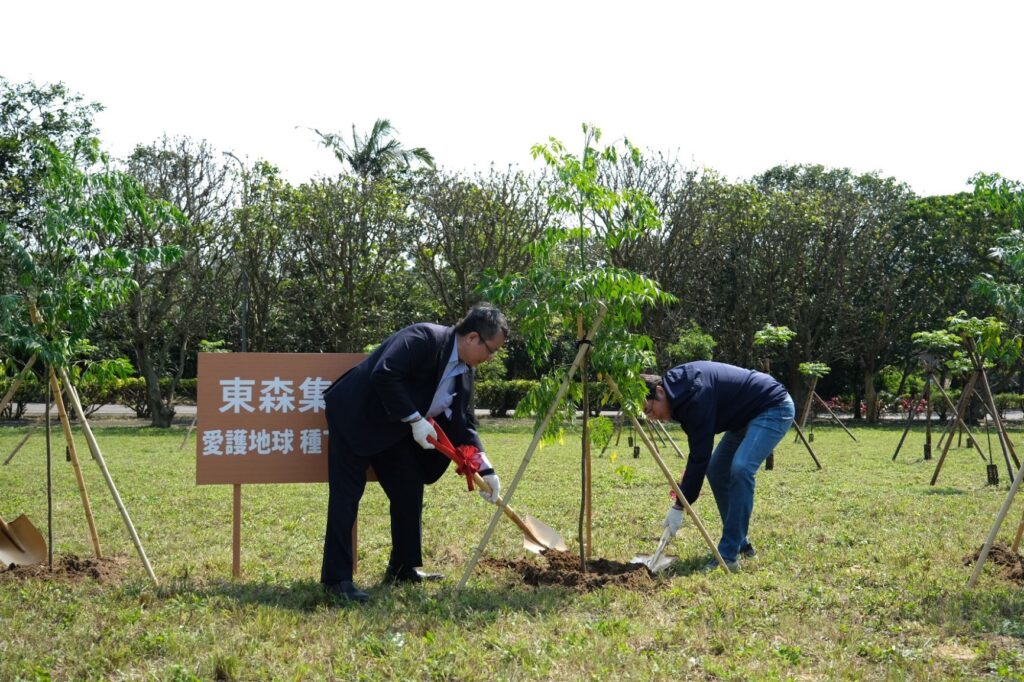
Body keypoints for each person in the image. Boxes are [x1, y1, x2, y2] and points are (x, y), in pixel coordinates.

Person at [320, 304, 508, 602]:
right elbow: (385, 374)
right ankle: (336, 580)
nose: (491, 357)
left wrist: (485, 468)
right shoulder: (424, 338)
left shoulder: (465, 374)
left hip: (394, 429)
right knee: (346, 496)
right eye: (491, 349)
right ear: (473, 338)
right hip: (356, 416)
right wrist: (415, 419)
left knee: (408, 486)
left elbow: (464, 425)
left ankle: (402, 567)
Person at [642, 361, 795, 572]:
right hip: (743, 418)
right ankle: (740, 543)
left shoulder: (694, 394)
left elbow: (700, 454)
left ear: (659, 391)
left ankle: (728, 555)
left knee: (741, 469)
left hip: (772, 406)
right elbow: (700, 455)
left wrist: (680, 505)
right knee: (716, 470)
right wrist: (682, 500)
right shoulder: (679, 392)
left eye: (650, 410)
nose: (652, 418)